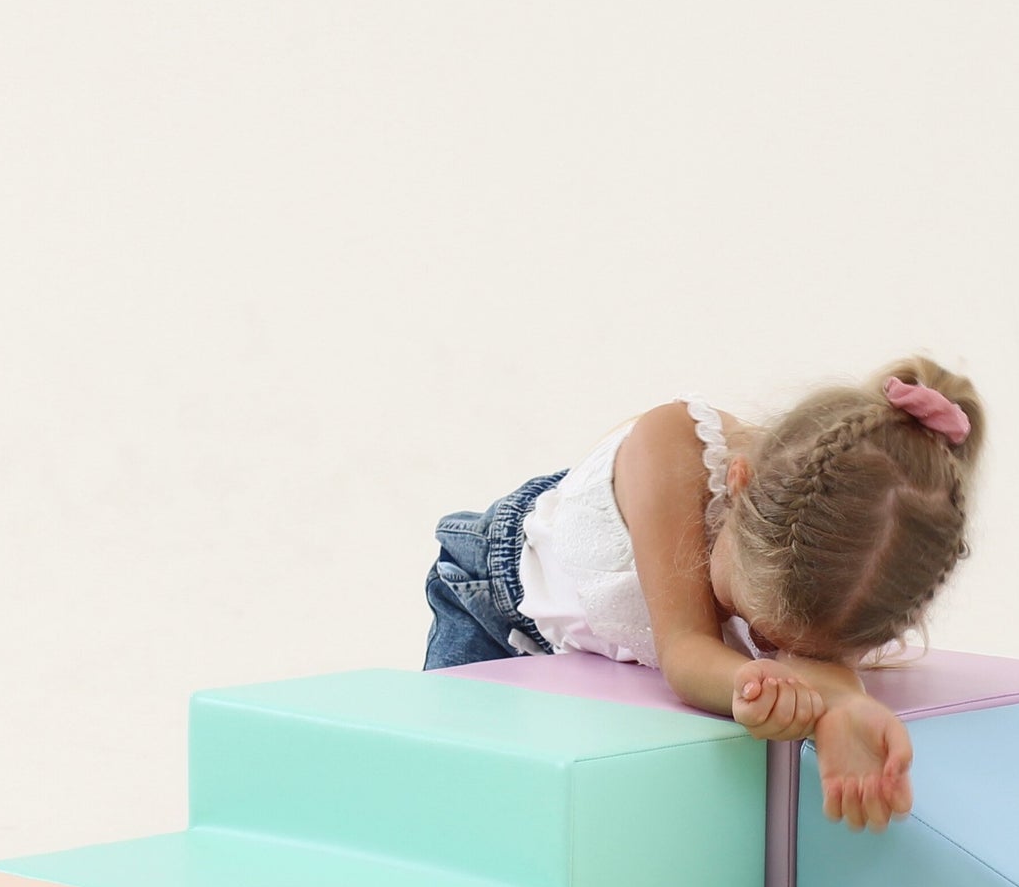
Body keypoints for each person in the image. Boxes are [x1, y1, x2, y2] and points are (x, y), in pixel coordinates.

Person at [423, 356, 986, 833]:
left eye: (787, 645)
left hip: (594, 659)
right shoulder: (671, 445)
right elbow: (686, 648)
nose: (764, 644)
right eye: (757, 620)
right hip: (498, 602)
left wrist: (846, 704)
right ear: (737, 489)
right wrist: (753, 681)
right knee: (446, 803)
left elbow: (821, 670)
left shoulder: (854, 573)